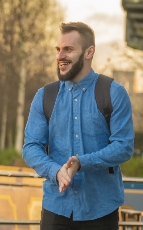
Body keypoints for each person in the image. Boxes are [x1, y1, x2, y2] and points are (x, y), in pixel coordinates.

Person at [22, 22, 134, 230]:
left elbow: (123, 146)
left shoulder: (113, 93)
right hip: (57, 209)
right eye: (58, 49)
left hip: (101, 209)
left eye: (69, 49)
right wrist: (55, 171)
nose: (60, 56)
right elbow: (31, 147)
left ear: (89, 52)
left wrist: (82, 162)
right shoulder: (44, 96)